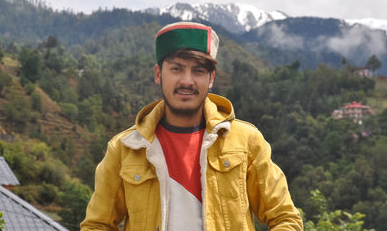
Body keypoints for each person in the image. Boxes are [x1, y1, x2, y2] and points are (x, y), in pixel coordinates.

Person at [80, 22, 303, 230]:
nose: (187, 81)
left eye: (198, 71)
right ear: (158, 74)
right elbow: (97, 225)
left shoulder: (246, 141)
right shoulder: (124, 149)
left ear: (211, 78)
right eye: (176, 69)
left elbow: (285, 218)